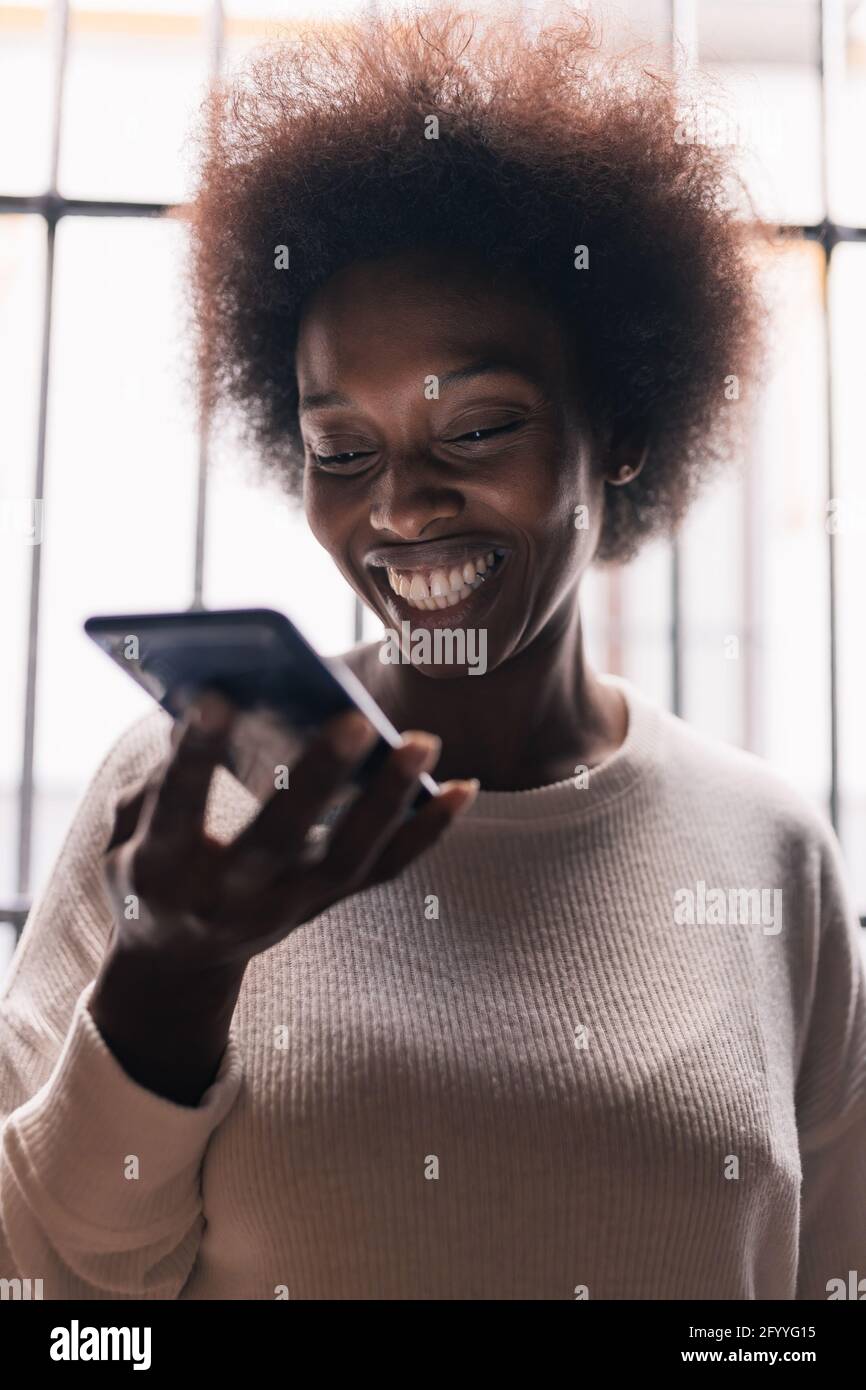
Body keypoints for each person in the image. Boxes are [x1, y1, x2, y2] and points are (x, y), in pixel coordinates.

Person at [1, 6, 863, 1300]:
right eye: (340, 449)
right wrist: (164, 992)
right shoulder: (193, 798)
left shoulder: (768, 852)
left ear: (617, 427)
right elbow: (47, 1294)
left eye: (475, 431)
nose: (398, 509)